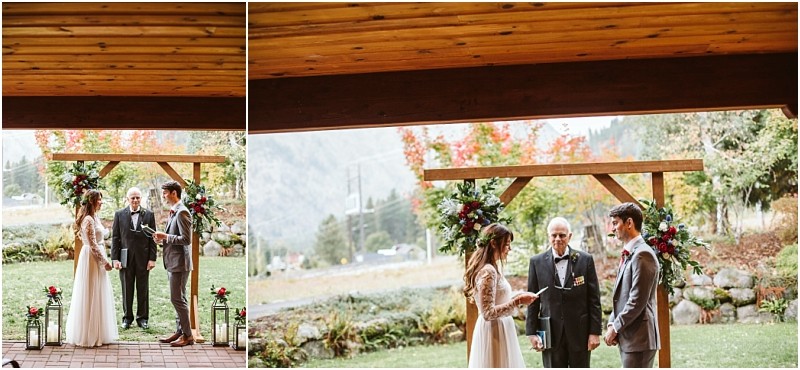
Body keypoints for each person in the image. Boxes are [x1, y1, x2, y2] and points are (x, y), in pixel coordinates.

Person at [525, 217, 602, 367]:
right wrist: (531, 333)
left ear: (570, 236)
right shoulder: (536, 262)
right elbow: (532, 300)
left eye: (562, 235)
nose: (558, 239)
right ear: (548, 236)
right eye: (554, 235)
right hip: (550, 333)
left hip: (579, 333)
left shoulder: (585, 260)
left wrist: (594, 332)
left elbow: (594, 299)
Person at [465, 223, 538, 368]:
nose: (510, 249)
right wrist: (518, 301)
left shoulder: (493, 268)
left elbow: (498, 298)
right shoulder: (488, 271)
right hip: (493, 331)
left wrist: (518, 296)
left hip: (502, 327)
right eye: (507, 244)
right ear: (493, 243)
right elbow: (488, 313)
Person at [604, 202, 660, 367]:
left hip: (640, 339)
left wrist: (615, 327)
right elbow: (621, 296)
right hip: (631, 337)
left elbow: (637, 300)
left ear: (629, 223)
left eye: (615, 223)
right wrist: (611, 323)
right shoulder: (631, 253)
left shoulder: (643, 255)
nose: (613, 228)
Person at [65, 190, 119, 347]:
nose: (101, 202)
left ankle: (99, 331)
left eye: (101, 199)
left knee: (99, 291)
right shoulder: (88, 219)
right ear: (91, 201)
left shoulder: (95, 216)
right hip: (91, 258)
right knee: (91, 291)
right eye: (99, 199)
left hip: (96, 254)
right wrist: (104, 262)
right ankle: (89, 334)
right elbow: (92, 243)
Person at [152, 181, 194, 347]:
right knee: (179, 298)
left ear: (174, 193)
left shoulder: (182, 212)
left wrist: (166, 236)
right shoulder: (174, 211)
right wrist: (162, 238)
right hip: (173, 262)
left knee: (177, 299)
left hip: (180, 263)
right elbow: (173, 236)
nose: (163, 196)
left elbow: (186, 239)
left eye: (165, 193)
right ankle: (180, 331)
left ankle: (188, 336)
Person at [111, 187, 157, 330]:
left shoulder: (149, 214)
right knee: (126, 288)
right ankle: (127, 318)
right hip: (125, 258)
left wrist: (152, 258)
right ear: (128, 199)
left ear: (141, 198)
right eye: (133, 198)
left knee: (143, 289)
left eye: (138, 197)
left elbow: (153, 238)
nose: (135, 200)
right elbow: (115, 238)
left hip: (143, 258)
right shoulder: (119, 214)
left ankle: (143, 318)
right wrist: (115, 259)